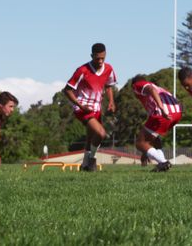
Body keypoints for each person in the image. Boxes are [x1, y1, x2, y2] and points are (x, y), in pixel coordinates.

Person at [62, 43, 117, 172]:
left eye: (103, 58)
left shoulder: (108, 69)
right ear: (92, 56)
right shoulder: (82, 70)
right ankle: (92, 160)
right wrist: (80, 105)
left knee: (90, 139)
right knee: (101, 133)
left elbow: (109, 85)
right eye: (97, 58)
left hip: (97, 108)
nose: (100, 61)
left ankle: (84, 166)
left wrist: (111, 101)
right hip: (83, 108)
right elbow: (67, 90)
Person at [130, 75, 183, 172]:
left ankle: (163, 162)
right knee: (155, 139)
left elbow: (151, 90)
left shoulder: (138, 85)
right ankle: (162, 164)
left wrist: (161, 107)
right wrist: (146, 151)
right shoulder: (158, 87)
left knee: (139, 143)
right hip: (177, 113)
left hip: (163, 113)